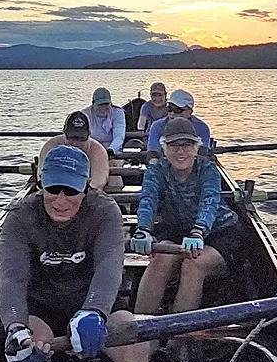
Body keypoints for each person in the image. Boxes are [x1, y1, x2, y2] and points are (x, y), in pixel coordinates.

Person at [0, 146, 152, 362]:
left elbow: (111, 267)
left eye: (72, 190)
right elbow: (10, 280)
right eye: (53, 189)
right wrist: (15, 328)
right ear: (40, 184)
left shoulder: (105, 212)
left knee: (136, 347)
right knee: (29, 356)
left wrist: (94, 310)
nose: (61, 199)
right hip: (40, 310)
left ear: (87, 186)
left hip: (94, 306)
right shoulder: (19, 218)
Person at [130, 117, 240, 314]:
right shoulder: (156, 170)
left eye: (187, 145)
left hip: (220, 232)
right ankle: (139, 332)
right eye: (174, 146)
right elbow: (148, 200)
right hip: (178, 230)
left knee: (193, 265)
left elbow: (209, 202)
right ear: (164, 148)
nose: (180, 152)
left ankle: (176, 341)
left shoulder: (208, 170)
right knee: (160, 260)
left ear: (196, 148)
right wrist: (143, 230)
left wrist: (198, 232)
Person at [38, 111, 111, 190]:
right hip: (53, 192)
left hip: (86, 193)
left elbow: (98, 183)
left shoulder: (98, 150)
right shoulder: (50, 146)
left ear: (89, 135)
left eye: (80, 138)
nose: (75, 143)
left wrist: (74, 195)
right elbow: (41, 177)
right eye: (71, 138)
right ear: (64, 133)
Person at [145, 89, 211, 157]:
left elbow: (203, 154)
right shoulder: (157, 126)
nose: (172, 113)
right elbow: (153, 152)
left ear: (190, 112)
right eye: (170, 109)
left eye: (177, 110)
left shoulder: (202, 127)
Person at [82, 87, 126, 153]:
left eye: (106, 104)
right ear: (93, 103)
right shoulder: (85, 114)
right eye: (100, 104)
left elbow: (119, 136)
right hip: (91, 150)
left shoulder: (118, 112)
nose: (103, 108)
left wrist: (111, 149)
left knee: (114, 163)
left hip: (113, 151)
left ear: (111, 103)